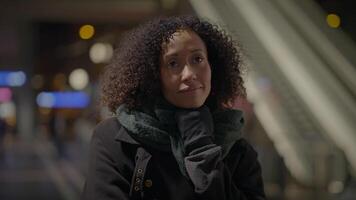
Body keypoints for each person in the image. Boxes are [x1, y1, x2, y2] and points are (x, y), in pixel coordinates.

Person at [82, 16, 265, 200]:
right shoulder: (114, 140)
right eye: (173, 63)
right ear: (153, 75)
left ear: (212, 66)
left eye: (197, 59)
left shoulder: (236, 147)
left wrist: (203, 150)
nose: (189, 74)